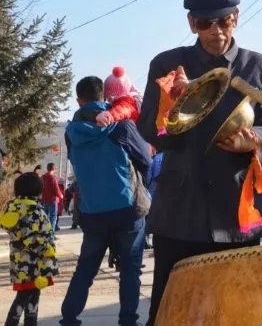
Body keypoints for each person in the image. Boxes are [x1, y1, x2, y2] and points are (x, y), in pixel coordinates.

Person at [136, 0, 262, 326]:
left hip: (238, 213)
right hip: (180, 212)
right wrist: (170, 108)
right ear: (192, 23)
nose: (215, 31)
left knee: (240, 311)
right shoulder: (167, 64)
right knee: (170, 310)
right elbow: (149, 130)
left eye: (224, 22)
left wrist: (252, 139)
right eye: (205, 24)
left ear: (236, 18)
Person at [60, 76, 153, 326]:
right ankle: (128, 320)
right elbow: (146, 160)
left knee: (86, 268)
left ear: (79, 100)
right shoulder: (122, 126)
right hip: (127, 210)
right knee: (130, 270)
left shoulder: (71, 134)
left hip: (92, 211)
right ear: (104, 98)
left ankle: (69, 318)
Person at [1, 172, 58, 326]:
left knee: (32, 296)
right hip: (33, 264)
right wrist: (47, 251)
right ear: (38, 191)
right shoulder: (32, 211)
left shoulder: (17, 209)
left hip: (22, 264)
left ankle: (31, 323)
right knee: (24, 296)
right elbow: (32, 239)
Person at [40, 163, 63, 235]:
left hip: (44, 199)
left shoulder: (42, 177)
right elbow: (56, 189)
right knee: (53, 218)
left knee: (45, 217)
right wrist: (61, 195)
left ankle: (44, 233)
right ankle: (51, 235)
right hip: (52, 200)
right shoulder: (53, 177)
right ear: (54, 169)